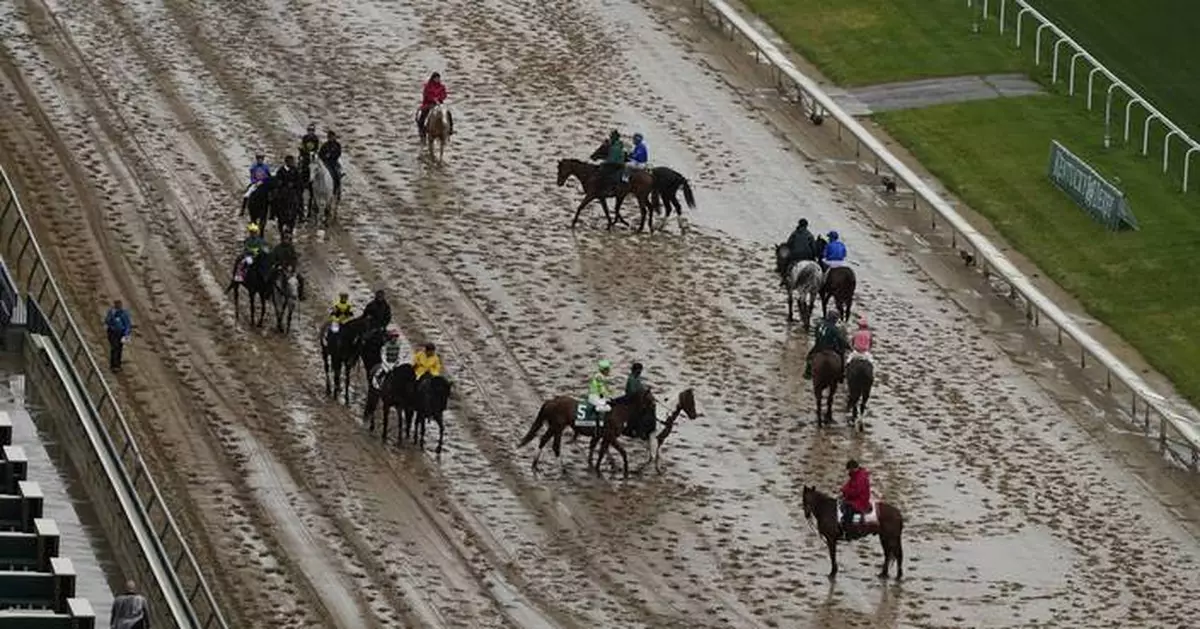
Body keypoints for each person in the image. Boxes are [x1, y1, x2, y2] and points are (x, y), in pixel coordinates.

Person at [803, 310, 849, 380]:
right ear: (834, 319)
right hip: (830, 347)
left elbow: (816, 335)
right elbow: (840, 339)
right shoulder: (834, 329)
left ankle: (808, 373)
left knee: (809, 357)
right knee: (841, 355)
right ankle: (841, 374)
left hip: (819, 346)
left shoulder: (819, 325)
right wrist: (847, 346)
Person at [840, 459, 872, 539]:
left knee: (848, 510)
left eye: (849, 469)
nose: (848, 472)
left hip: (860, 500)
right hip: (855, 498)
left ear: (852, 468)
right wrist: (843, 490)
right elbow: (849, 485)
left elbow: (856, 491)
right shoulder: (855, 476)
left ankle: (849, 532)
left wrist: (845, 491)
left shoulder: (861, 477)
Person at [417, 72, 453, 139]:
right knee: (423, 114)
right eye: (436, 78)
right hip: (429, 104)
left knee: (448, 113)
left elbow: (444, 95)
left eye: (438, 78)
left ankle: (450, 129)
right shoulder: (427, 86)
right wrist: (433, 99)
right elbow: (426, 94)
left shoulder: (442, 87)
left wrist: (439, 99)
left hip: (439, 104)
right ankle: (422, 129)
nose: (437, 80)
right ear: (433, 78)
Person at [104, 299, 132, 373]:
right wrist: (112, 317)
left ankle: (117, 364)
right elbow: (107, 321)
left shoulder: (124, 313)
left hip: (120, 333)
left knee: (119, 348)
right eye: (117, 305)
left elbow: (127, 324)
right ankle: (114, 365)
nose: (118, 306)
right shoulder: (112, 312)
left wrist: (126, 334)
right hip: (112, 332)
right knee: (114, 347)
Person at [318, 130, 343, 199]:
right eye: (329, 137)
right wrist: (325, 157)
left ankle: (337, 190)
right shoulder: (325, 145)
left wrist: (331, 156)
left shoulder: (337, 145)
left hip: (334, 162)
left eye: (332, 137)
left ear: (334, 137)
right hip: (326, 163)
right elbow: (320, 154)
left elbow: (339, 153)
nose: (330, 138)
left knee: (337, 175)